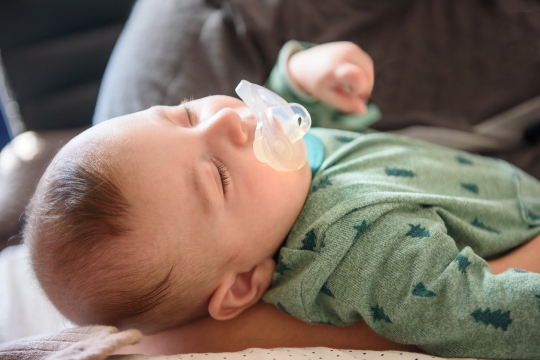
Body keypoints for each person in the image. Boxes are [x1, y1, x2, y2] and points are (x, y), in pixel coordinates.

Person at [23, 40, 540, 359]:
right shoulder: (364, 255)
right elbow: (482, 315)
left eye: (183, 115)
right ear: (246, 282)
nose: (226, 119)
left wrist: (303, 82)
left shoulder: (275, 189)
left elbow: (294, 137)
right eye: (217, 176)